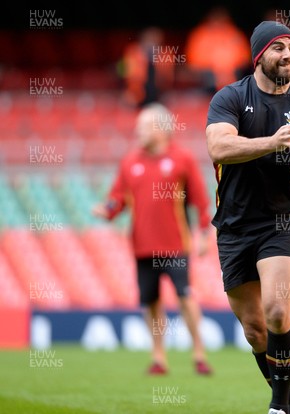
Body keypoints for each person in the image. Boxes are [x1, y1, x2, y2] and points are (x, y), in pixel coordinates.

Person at [205, 20, 290, 414]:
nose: (288, 55)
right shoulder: (229, 98)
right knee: (255, 328)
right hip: (234, 224)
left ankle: (277, 405)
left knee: (277, 311)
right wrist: (272, 142)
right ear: (260, 55)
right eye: (279, 48)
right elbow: (219, 148)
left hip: (283, 220)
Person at [93, 103, 213, 376]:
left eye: (144, 126)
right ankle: (158, 356)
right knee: (151, 301)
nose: (138, 132)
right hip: (143, 246)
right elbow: (118, 198)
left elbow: (200, 200)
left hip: (175, 245)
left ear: (161, 128)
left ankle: (199, 352)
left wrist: (205, 233)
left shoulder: (182, 159)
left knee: (185, 296)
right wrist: (107, 210)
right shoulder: (130, 162)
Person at [184, 7, 251, 95]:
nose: (218, 22)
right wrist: (216, 69)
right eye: (215, 19)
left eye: (221, 19)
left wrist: (226, 70)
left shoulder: (234, 33)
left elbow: (245, 58)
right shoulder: (200, 34)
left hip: (233, 74)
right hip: (207, 75)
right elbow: (193, 61)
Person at [119, 27, 174, 108]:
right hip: (137, 92)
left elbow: (167, 77)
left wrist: (155, 57)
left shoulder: (165, 53)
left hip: (159, 94)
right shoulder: (132, 52)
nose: (152, 42)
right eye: (149, 39)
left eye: (155, 39)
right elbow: (125, 74)